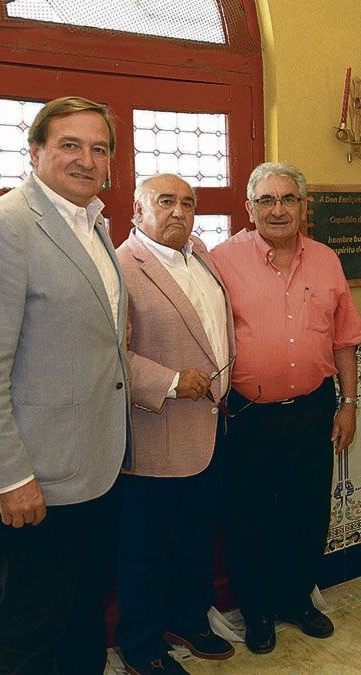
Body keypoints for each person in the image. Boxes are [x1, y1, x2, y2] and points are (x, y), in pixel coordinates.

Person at [0, 96, 129, 673]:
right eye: (69, 146)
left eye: (98, 148)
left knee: (81, 622)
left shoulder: (94, 225)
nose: (86, 160)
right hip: (34, 483)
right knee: (29, 636)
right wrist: (10, 477)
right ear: (35, 152)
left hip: (95, 473)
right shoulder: (0, 226)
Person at [211, 162, 361, 653]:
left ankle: (297, 600)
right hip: (248, 415)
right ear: (249, 207)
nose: (278, 210)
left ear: (304, 206)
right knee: (249, 516)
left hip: (313, 410)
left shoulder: (326, 260)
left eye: (287, 200)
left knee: (306, 511)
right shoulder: (220, 260)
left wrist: (350, 403)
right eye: (266, 201)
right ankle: (258, 613)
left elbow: (345, 339)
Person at [114, 174, 236, 674]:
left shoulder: (201, 257)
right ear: (137, 211)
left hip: (212, 431)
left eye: (188, 203)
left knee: (196, 538)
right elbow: (109, 353)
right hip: (155, 433)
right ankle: (140, 645)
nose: (179, 212)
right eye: (166, 202)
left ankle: (187, 619)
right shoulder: (121, 266)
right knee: (147, 550)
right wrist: (166, 382)